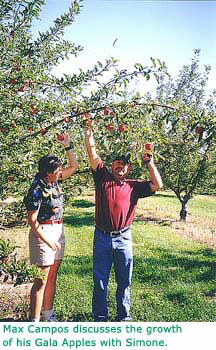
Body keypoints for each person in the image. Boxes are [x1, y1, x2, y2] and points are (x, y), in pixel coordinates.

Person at [85, 126, 163, 322]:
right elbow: (92, 154)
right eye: (117, 163)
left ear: (129, 168)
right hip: (102, 236)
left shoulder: (134, 186)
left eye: (124, 165)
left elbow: (157, 185)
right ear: (112, 165)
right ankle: (100, 318)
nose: (120, 166)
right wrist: (89, 132)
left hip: (123, 238)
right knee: (100, 280)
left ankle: (124, 317)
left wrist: (150, 163)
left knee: (124, 280)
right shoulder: (102, 178)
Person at [24, 134, 78, 322]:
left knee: (52, 276)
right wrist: (48, 241)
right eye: (57, 169)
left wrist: (68, 146)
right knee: (41, 280)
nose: (61, 171)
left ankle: (48, 315)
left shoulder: (54, 181)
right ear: (48, 172)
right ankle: (34, 322)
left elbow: (74, 167)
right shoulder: (37, 188)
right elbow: (32, 220)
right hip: (43, 233)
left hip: (57, 230)